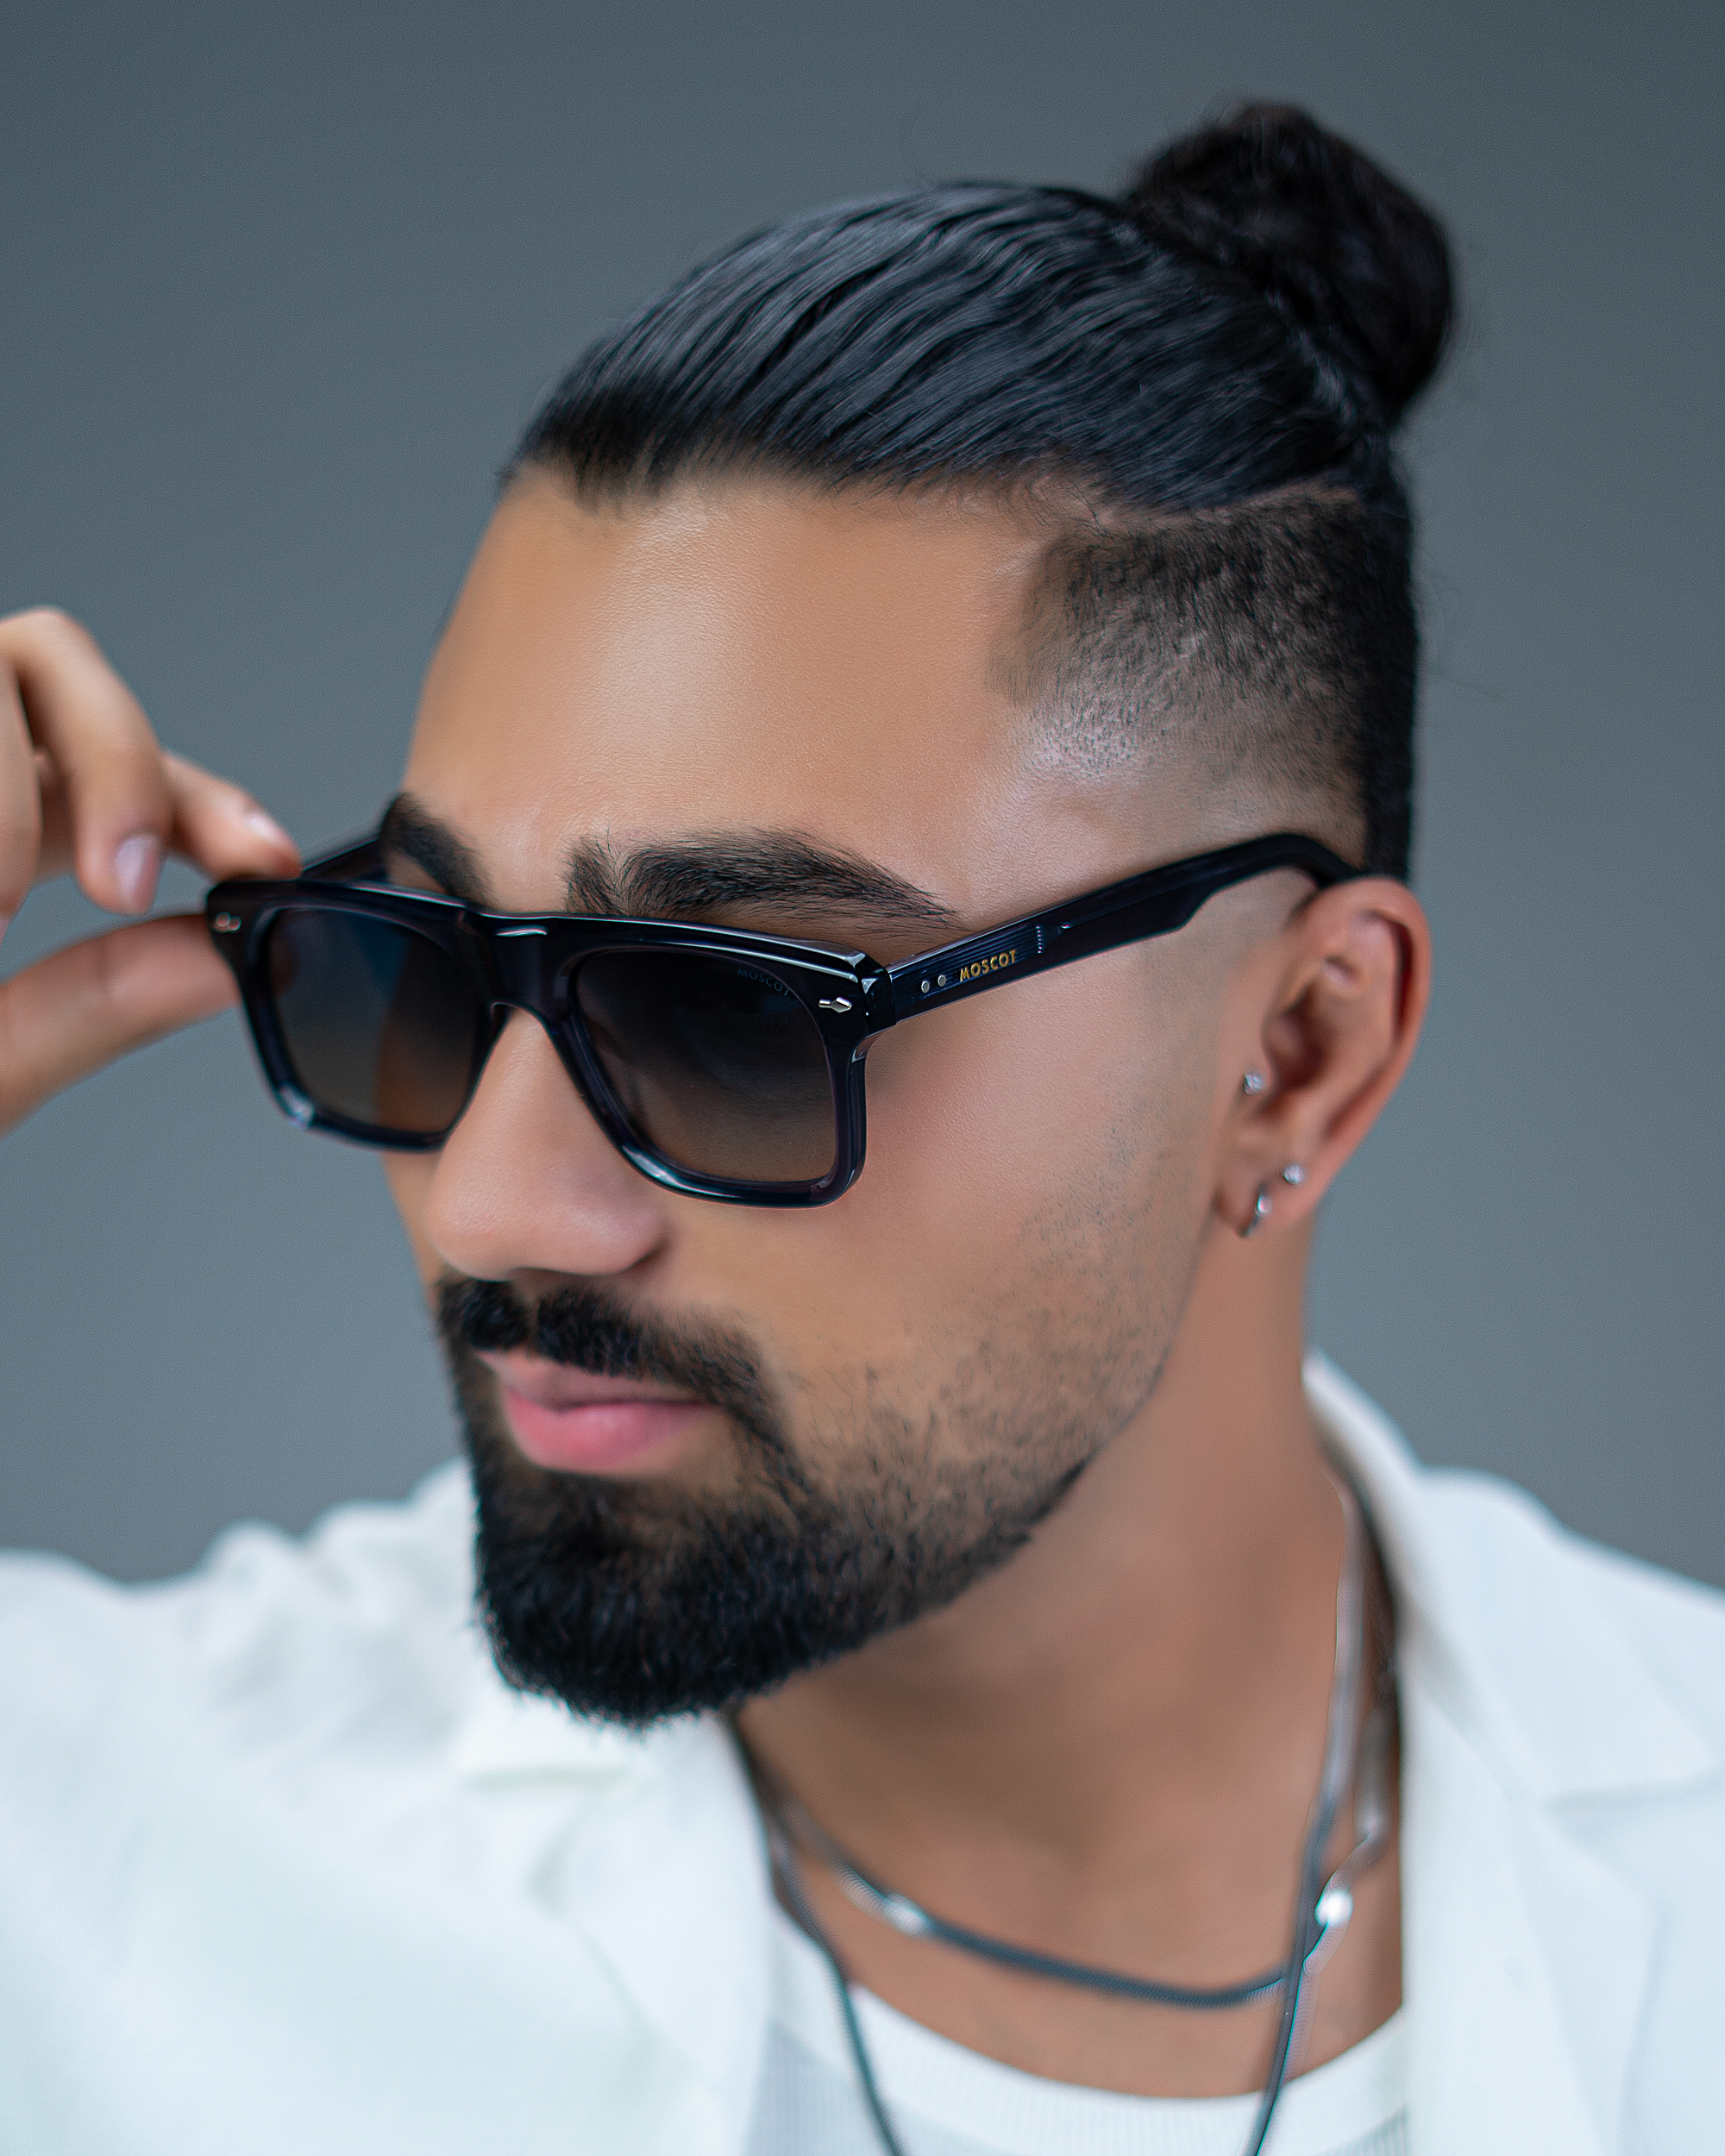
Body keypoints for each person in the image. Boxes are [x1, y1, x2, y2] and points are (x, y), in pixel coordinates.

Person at [0, 103, 1716, 2156]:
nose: (492, 1205)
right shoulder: (100, 1863)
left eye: (734, 1007)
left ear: (1296, 1048)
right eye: (425, 965)